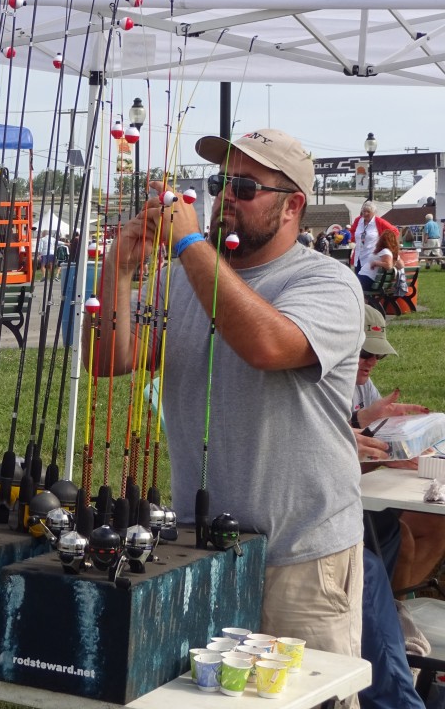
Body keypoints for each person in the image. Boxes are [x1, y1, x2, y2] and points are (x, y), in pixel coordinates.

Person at [86, 128, 366, 685]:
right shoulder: (181, 279)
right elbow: (111, 359)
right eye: (220, 183)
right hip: (201, 549)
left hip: (302, 556)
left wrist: (191, 246)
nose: (225, 197)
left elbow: (268, 346)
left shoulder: (327, 281)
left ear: (292, 206)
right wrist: (118, 269)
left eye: (244, 185)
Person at [347, 306, 428, 709]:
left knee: (389, 526)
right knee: (370, 566)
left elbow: (369, 431)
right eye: (364, 353)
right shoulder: (324, 379)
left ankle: (381, 629)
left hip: (352, 502)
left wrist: (384, 429)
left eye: (376, 356)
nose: (370, 363)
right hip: (318, 519)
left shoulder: (362, 382)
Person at [349, 201, 397, 275]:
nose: (365, 214)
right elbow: (352, 231)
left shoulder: (379, 221)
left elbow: (394, 232)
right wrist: (354, 239)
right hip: (358, 256)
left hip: (371, 256)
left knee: (365, 279)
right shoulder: (358, 220)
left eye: (368, 212)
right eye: (364, 211)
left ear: (374, 212)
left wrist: (383, 243)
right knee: (358, 279)